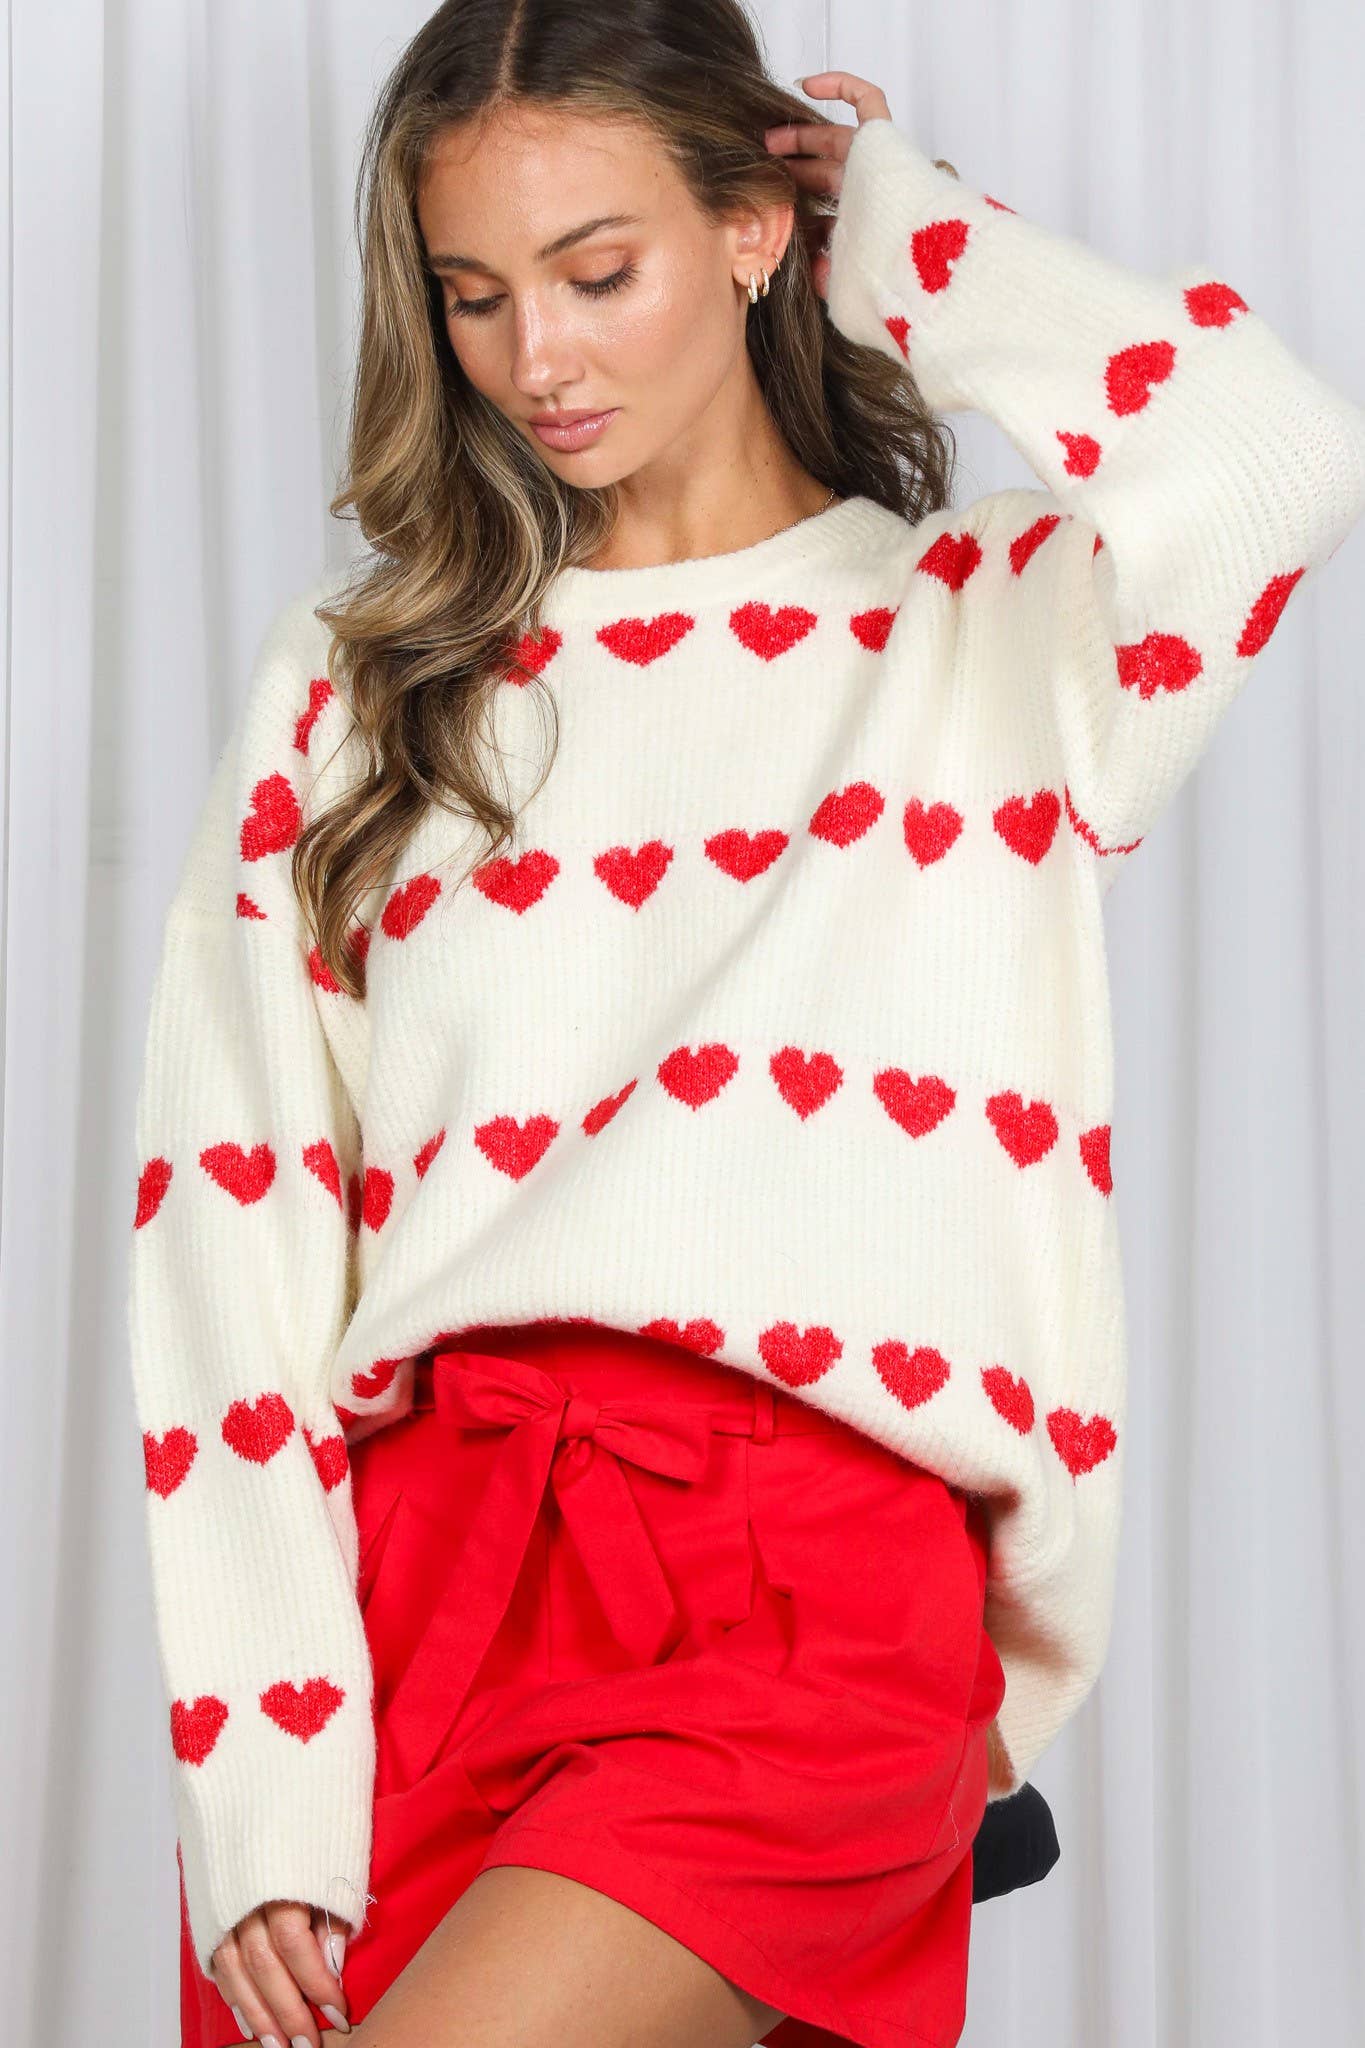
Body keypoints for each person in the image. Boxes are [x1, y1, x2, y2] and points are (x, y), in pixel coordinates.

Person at [124, 3, 1365, 2044]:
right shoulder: (364, 686)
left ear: (752, 232)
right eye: (473, 296)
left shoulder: (986, 632)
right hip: (418, 1589)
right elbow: (224, 1230)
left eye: (596, 271)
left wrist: (912, 227)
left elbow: (1272, 458)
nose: (537, 358)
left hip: (801, 1583)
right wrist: (258, 1765)